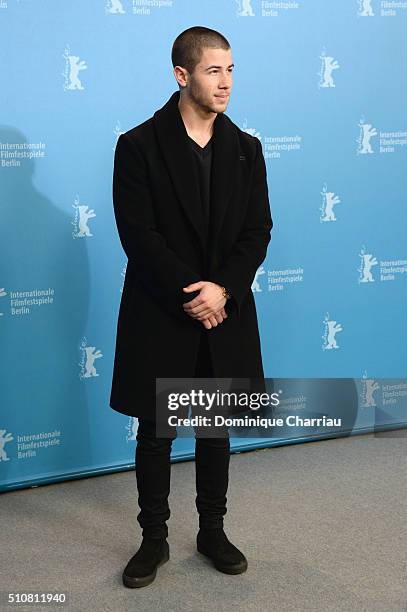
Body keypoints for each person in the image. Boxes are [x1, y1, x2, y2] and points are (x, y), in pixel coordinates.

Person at [110, 25, 273, 588]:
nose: (225, 82)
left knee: (214, 427)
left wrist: (222, 290)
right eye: (213, 70)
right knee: (156, 430)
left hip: (225, 309)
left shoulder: (247, 149)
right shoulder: (137, 146)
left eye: (230, 69)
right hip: (163, 309)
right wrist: (194, 293)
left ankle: (212, 531)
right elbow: (139, 234)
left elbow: (257, 232)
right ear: (182, 75)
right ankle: (152, 539)